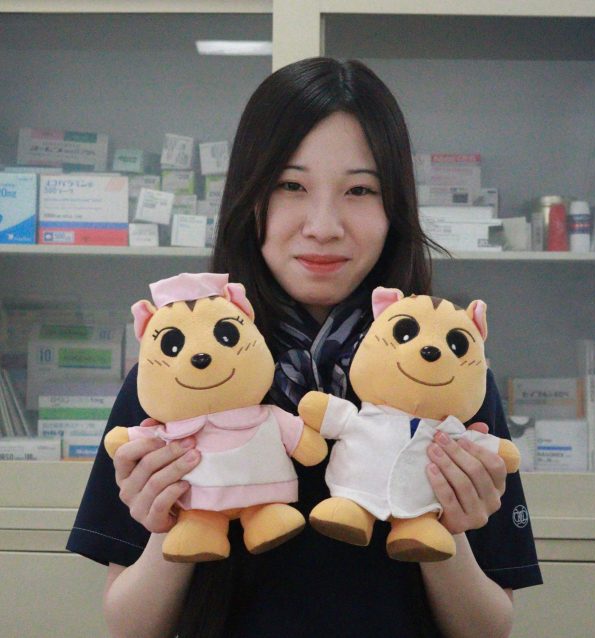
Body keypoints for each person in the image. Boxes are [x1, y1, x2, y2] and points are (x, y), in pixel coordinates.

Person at [67, 57, 542, 638]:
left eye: (360, 189)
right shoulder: (180, 367)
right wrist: (166, 525)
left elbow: (488, 627)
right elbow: (129, 626)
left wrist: (452, 529)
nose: (323, 225)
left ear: (395, 208)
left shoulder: (445, 369)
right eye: (291, 185)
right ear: (250, 198)